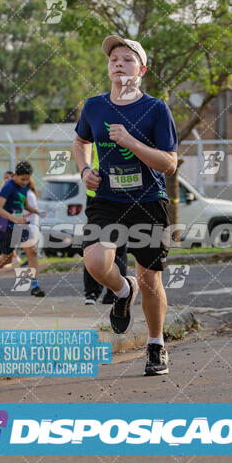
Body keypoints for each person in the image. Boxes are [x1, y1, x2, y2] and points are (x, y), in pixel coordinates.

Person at [73, 35, 178, 376]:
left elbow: (169, 164)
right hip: (107, 198)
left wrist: (130, 141)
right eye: (113, 58)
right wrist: (85, 169)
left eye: (127, 59)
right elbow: (80, 141)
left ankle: (156, 344)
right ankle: (122, 289)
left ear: (142, 70)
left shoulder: (156, 109)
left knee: (150, 279)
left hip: (148, 201)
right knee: (96, 262)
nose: (118, 62)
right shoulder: (94, 106)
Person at [0, 161, 45, 297]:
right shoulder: (8, 187)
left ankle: (35, 285)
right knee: (7, 257)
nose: (25, 182)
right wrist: (14, 219)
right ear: (15, 175)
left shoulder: (26, 185)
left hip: (20, 224)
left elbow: (25, 204)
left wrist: (35, 211)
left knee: (33, 251)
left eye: (27, 179)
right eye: (22, 179)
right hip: (6, 225)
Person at [84, 142, 118, 305]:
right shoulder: (96, 118)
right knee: (92, 248)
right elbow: (81, 142)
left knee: (117, 248)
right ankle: (91, 292)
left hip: (121, 194)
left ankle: (114, 294)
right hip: (97, 192)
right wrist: (85, 170)